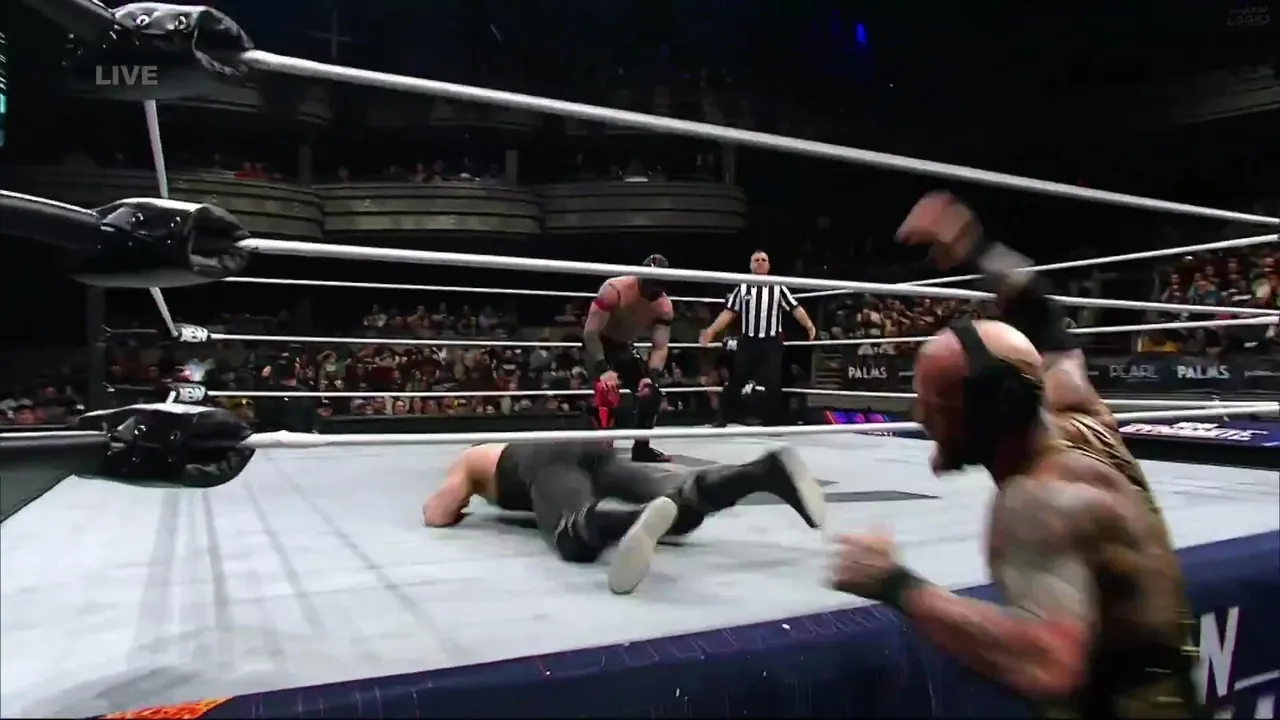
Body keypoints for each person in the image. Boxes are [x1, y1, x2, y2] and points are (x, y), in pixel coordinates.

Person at [830, 192, 1205, 718]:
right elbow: (1046, 319)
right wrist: (974, 247)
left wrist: (894, 583)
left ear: (979, 415)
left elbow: (1050, 664)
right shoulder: (1077, 414)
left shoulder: (1036, 503)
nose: (919, 418)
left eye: (932, 406)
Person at [422, 441, 825, 595]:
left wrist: (462, 494)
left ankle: (634, 520)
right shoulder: (508, 448)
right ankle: (761, 472)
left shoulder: (472, 458)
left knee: (572, 536)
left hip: (545, 461)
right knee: (679, 507)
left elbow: (436, 513)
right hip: (590, 451)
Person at [700, 250, 817, 426]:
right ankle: (724, 418)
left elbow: (795, 308)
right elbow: (729, 313)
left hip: (771, 342)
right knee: (736, 380)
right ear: (751, 265)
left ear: (769, 265)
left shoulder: (778, 287)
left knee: (773, 382)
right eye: (756, 260)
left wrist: (808, 325)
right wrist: (711, 331)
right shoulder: (743, 288)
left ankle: (771, 421)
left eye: (764, 260)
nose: (760, 262)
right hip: (748, 341)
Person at [583, 254, 676, 462]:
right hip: (598, 344)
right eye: (648, 282)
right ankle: (601, 448)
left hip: (624, 347)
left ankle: (641, 448)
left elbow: (660, 347)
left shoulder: (663, 307)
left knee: (650, 393)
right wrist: (603, 369)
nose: (651, 289)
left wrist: (650, 377)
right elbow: (590, 333)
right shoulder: (614, 290)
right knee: (605, 390)